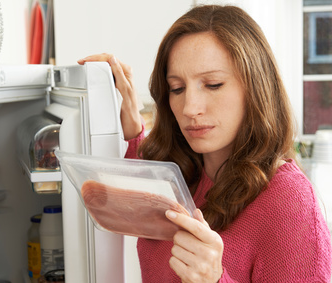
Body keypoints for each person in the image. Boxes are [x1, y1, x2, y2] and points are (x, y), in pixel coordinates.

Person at [78, 4, 332, 283]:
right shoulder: (179, 175)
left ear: (256, 88)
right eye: (177, 88)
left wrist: (213, 279)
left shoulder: (288, 201)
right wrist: (130, 123)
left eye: (212, 84)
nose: (190, 108)